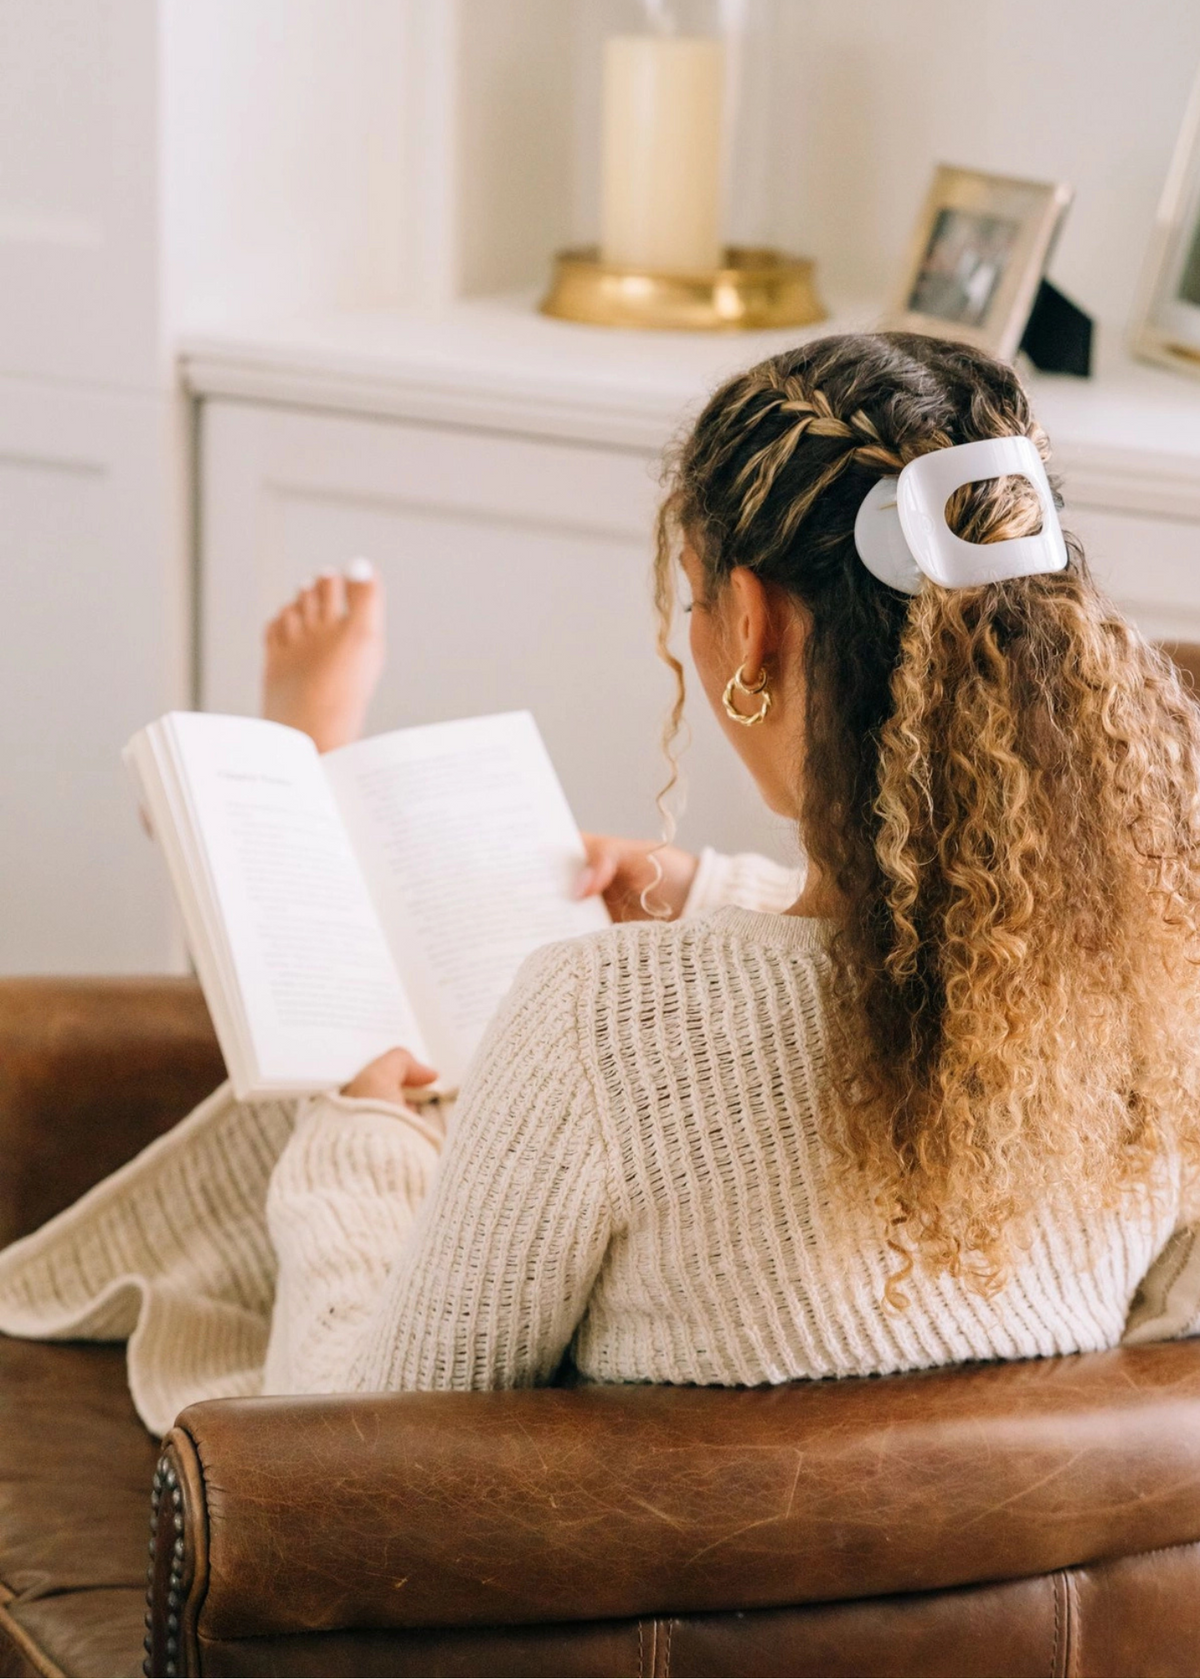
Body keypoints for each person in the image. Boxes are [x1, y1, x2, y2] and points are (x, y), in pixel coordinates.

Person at [5, 330, 1200, 1434]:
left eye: (694, 598)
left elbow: (356, 1445)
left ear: (752, 626)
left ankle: (312, 769)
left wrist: (357, 1129)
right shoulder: (1158, 994)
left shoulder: (606, 1027)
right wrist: (716, 887)